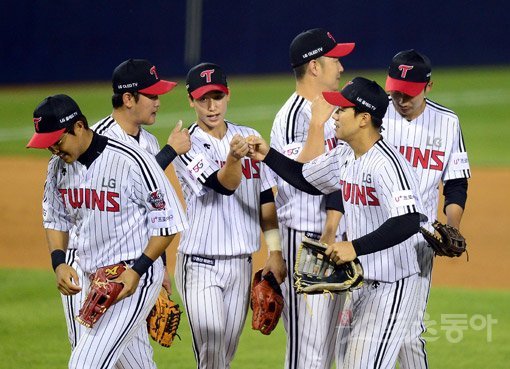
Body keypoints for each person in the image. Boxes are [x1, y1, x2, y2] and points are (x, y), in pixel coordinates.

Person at [247, 77, 427, 369]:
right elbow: (305, 177)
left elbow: (408, 220)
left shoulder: (388, 164)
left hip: (391, 286)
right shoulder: (345, 155)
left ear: (363, 119)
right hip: (359, 284)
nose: (335, 114)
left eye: (342, 109)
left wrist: (355, 247)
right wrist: (267, 155)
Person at [27, 94, 188, 369]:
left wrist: (138, 271)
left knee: (84, 364)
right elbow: (55, 217)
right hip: (93, 282)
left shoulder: (132, 161)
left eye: (57, 141)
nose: (53, 150)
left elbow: (167, 224)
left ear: (78, 127)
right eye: (47, 145)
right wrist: (58, 262)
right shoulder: (57, 168)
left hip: (133, 279)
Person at [172, 62, 287, 369]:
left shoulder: (249, 135)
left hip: (240, 265)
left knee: (223, 356)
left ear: (228, 95)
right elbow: (222, 185)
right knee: (211, 344)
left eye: (217, 97)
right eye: (202, 99)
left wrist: (275, 251)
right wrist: (234, 158)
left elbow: (265, 197)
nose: (211, 106)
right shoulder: (185, 144)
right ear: (190, 100)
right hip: (200, 264)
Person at [269, 28, 354, 369]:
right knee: (308, 351)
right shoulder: (292, 117)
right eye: (335, 59)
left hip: (336, 238)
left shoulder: (333, 111)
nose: (342, 67)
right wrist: (317, 128)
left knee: (330, 348)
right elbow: (304, 177)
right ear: (314, 67)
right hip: (305, 242)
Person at [383, 49, 471, 369]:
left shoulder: (447, 123)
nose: (401, 99)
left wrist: (452, 225)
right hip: (369, 235)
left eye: (409, 93)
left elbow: (456, 182)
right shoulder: (374, 115)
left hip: (418, 241)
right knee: (361, 330)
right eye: (395, 91)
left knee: (407, 334)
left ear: (428, 87)